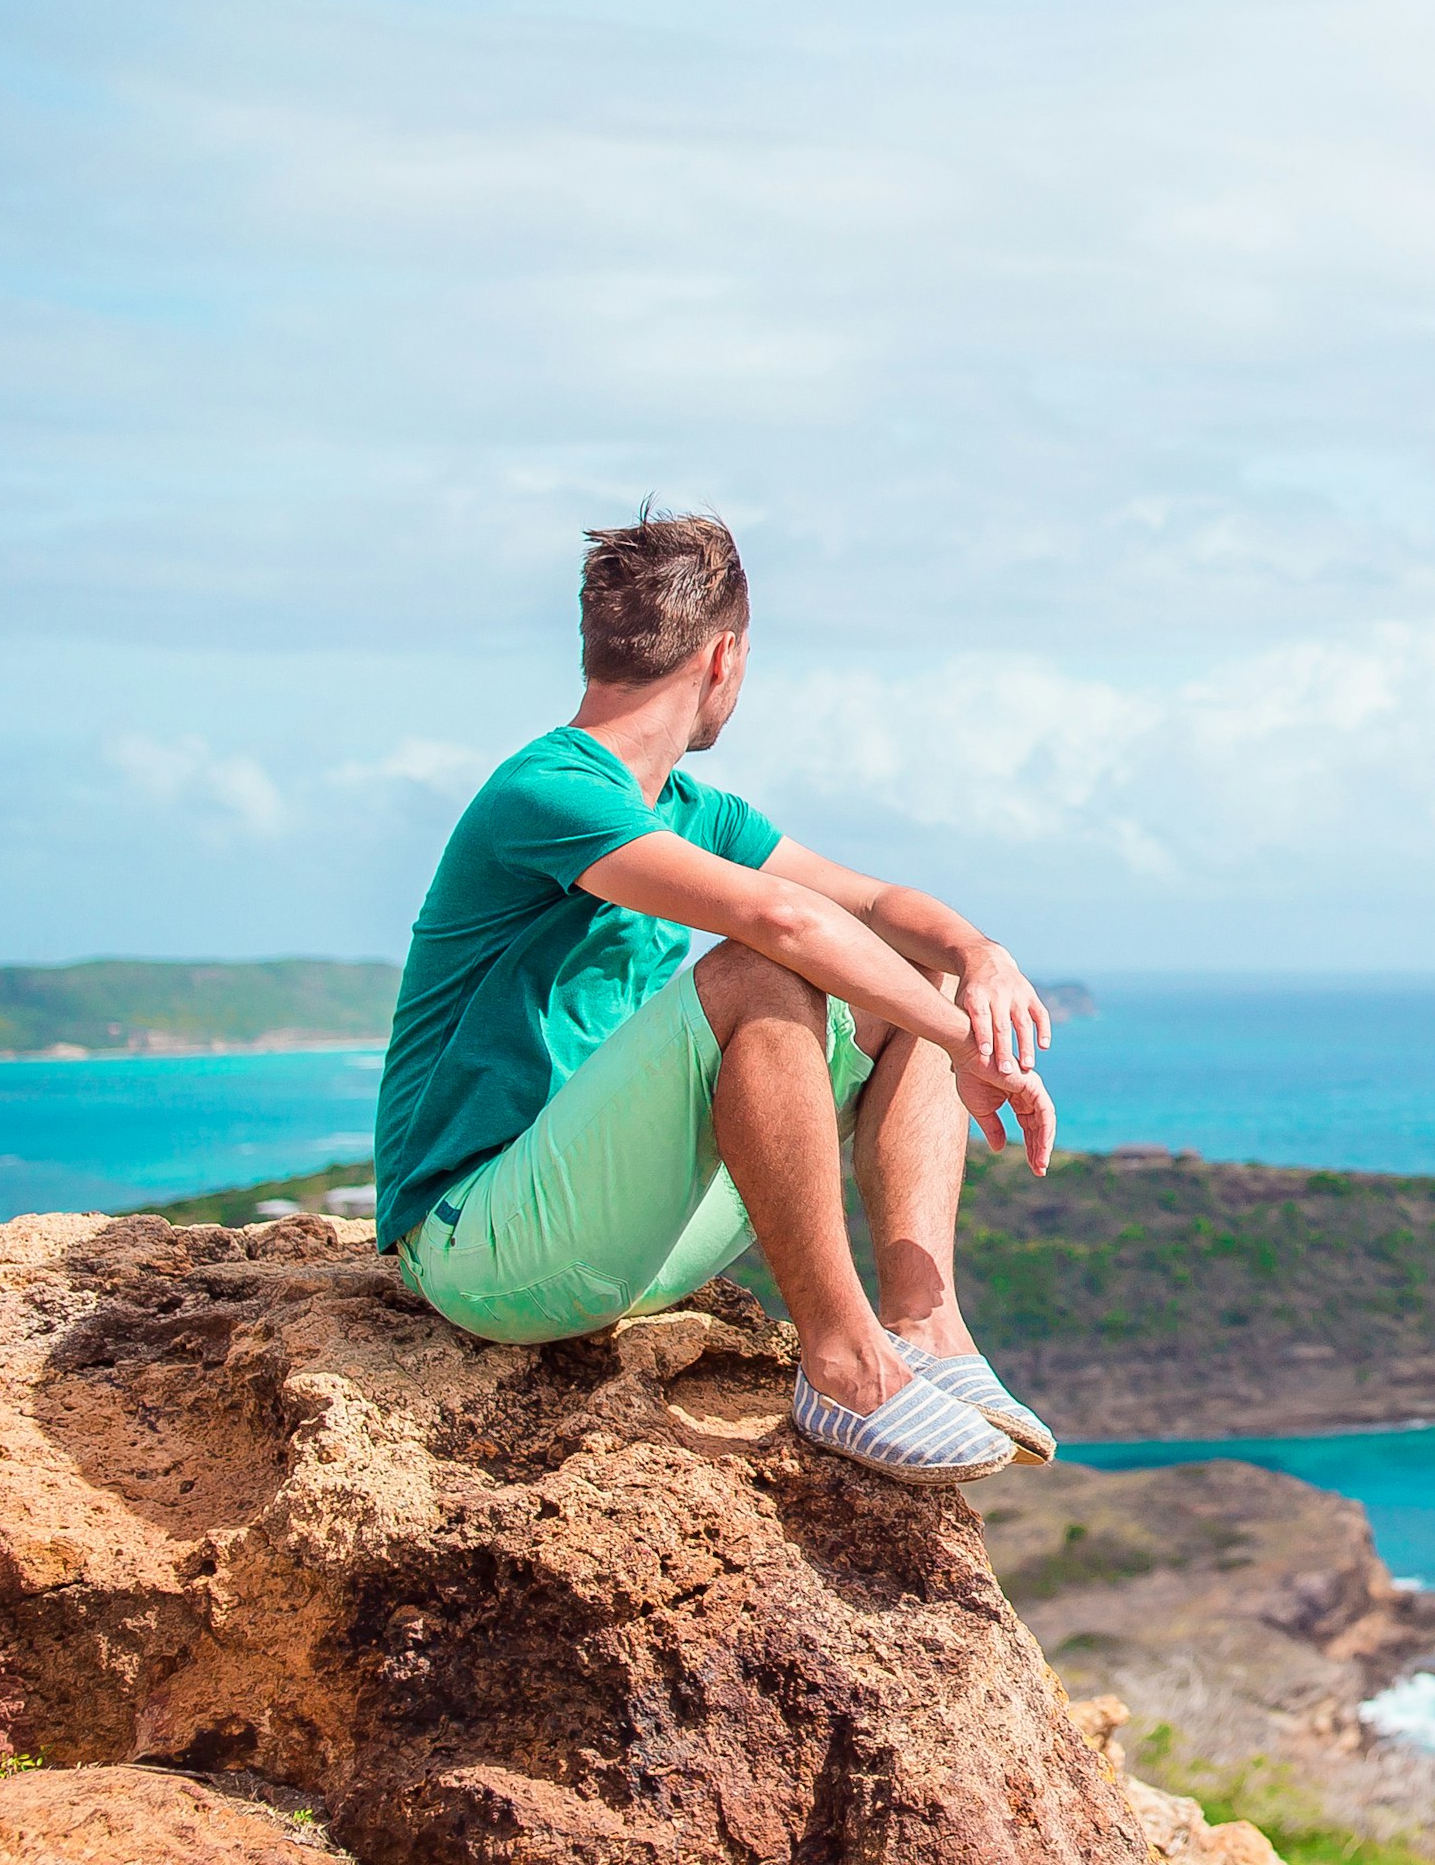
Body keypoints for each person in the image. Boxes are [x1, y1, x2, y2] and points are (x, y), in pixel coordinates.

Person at [370, 509, 1064, 1483]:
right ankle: (845, 1366)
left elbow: (871, 902)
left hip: (625, 1246)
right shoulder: (547, 791)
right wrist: (962, 1042)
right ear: (724, 658)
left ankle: (927, 1329)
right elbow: (782, 925)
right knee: (759, 973)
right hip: (480, 1252)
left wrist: (976, 954)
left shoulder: (693, 812)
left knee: (924, 968)